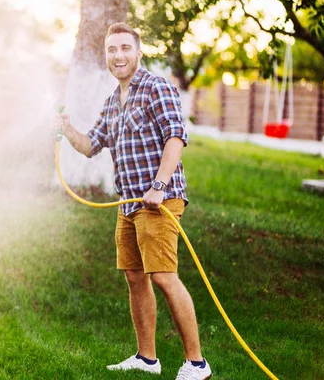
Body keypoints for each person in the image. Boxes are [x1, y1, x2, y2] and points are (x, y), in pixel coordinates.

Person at [57, 22, 212, 380]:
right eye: (112, 50)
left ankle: (197, 364)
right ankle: (147, 359)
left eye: (125, 48)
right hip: (128, 204)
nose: (118, 56)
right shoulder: (112, 102)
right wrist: (67, 129)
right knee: (134, 277)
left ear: (138, 52)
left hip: (159, 200)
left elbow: (176, 137)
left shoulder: (156, 88)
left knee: (163, 276)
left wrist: (159, 184)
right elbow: (90, 145)